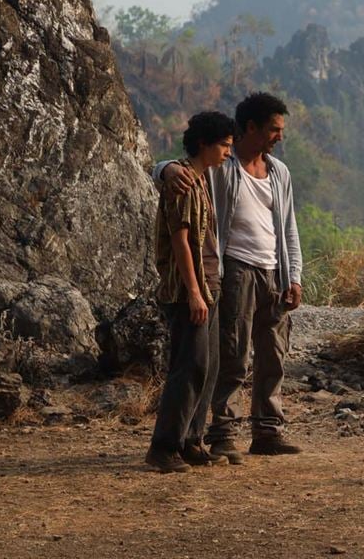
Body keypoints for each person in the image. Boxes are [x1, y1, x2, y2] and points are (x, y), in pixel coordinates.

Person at [156, 92, 303, 463]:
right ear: (249, 128)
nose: (279, 136)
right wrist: (165, 169)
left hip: (274, 271)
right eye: (273, 129)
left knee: (273, 356)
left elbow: (288, 229)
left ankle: (266, 431)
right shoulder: (222, 168)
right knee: (229, 358)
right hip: (234, 269)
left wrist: (294, 276)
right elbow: (179, 169)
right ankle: (219, 434)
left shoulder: (278, 172)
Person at [146, 111, 235, 473]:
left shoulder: (202, 181)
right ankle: (164, 447)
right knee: (189, 368)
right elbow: (181, 243)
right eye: (224, 146)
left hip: (209, 287)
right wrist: (195, 292)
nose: (228, 152)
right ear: (204, 144)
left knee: (208, 367)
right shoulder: (182, 181)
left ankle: (191, 440)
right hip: (189, 292)